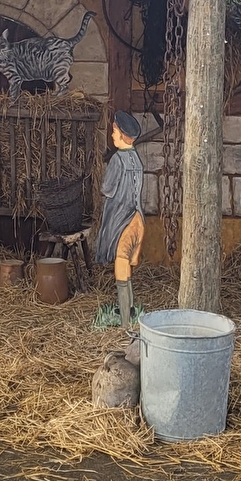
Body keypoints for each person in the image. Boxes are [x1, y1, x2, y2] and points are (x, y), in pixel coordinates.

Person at [95, 111, 145, 326]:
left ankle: (125, 322)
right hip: (137, 219)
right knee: (126, 268)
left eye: (114, 131)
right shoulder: (136, 159)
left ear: (124, 135)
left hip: (121, 220)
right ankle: (130, 312)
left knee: (121, 269)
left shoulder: (117, 160)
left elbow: (106, 189)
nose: (112, 135)